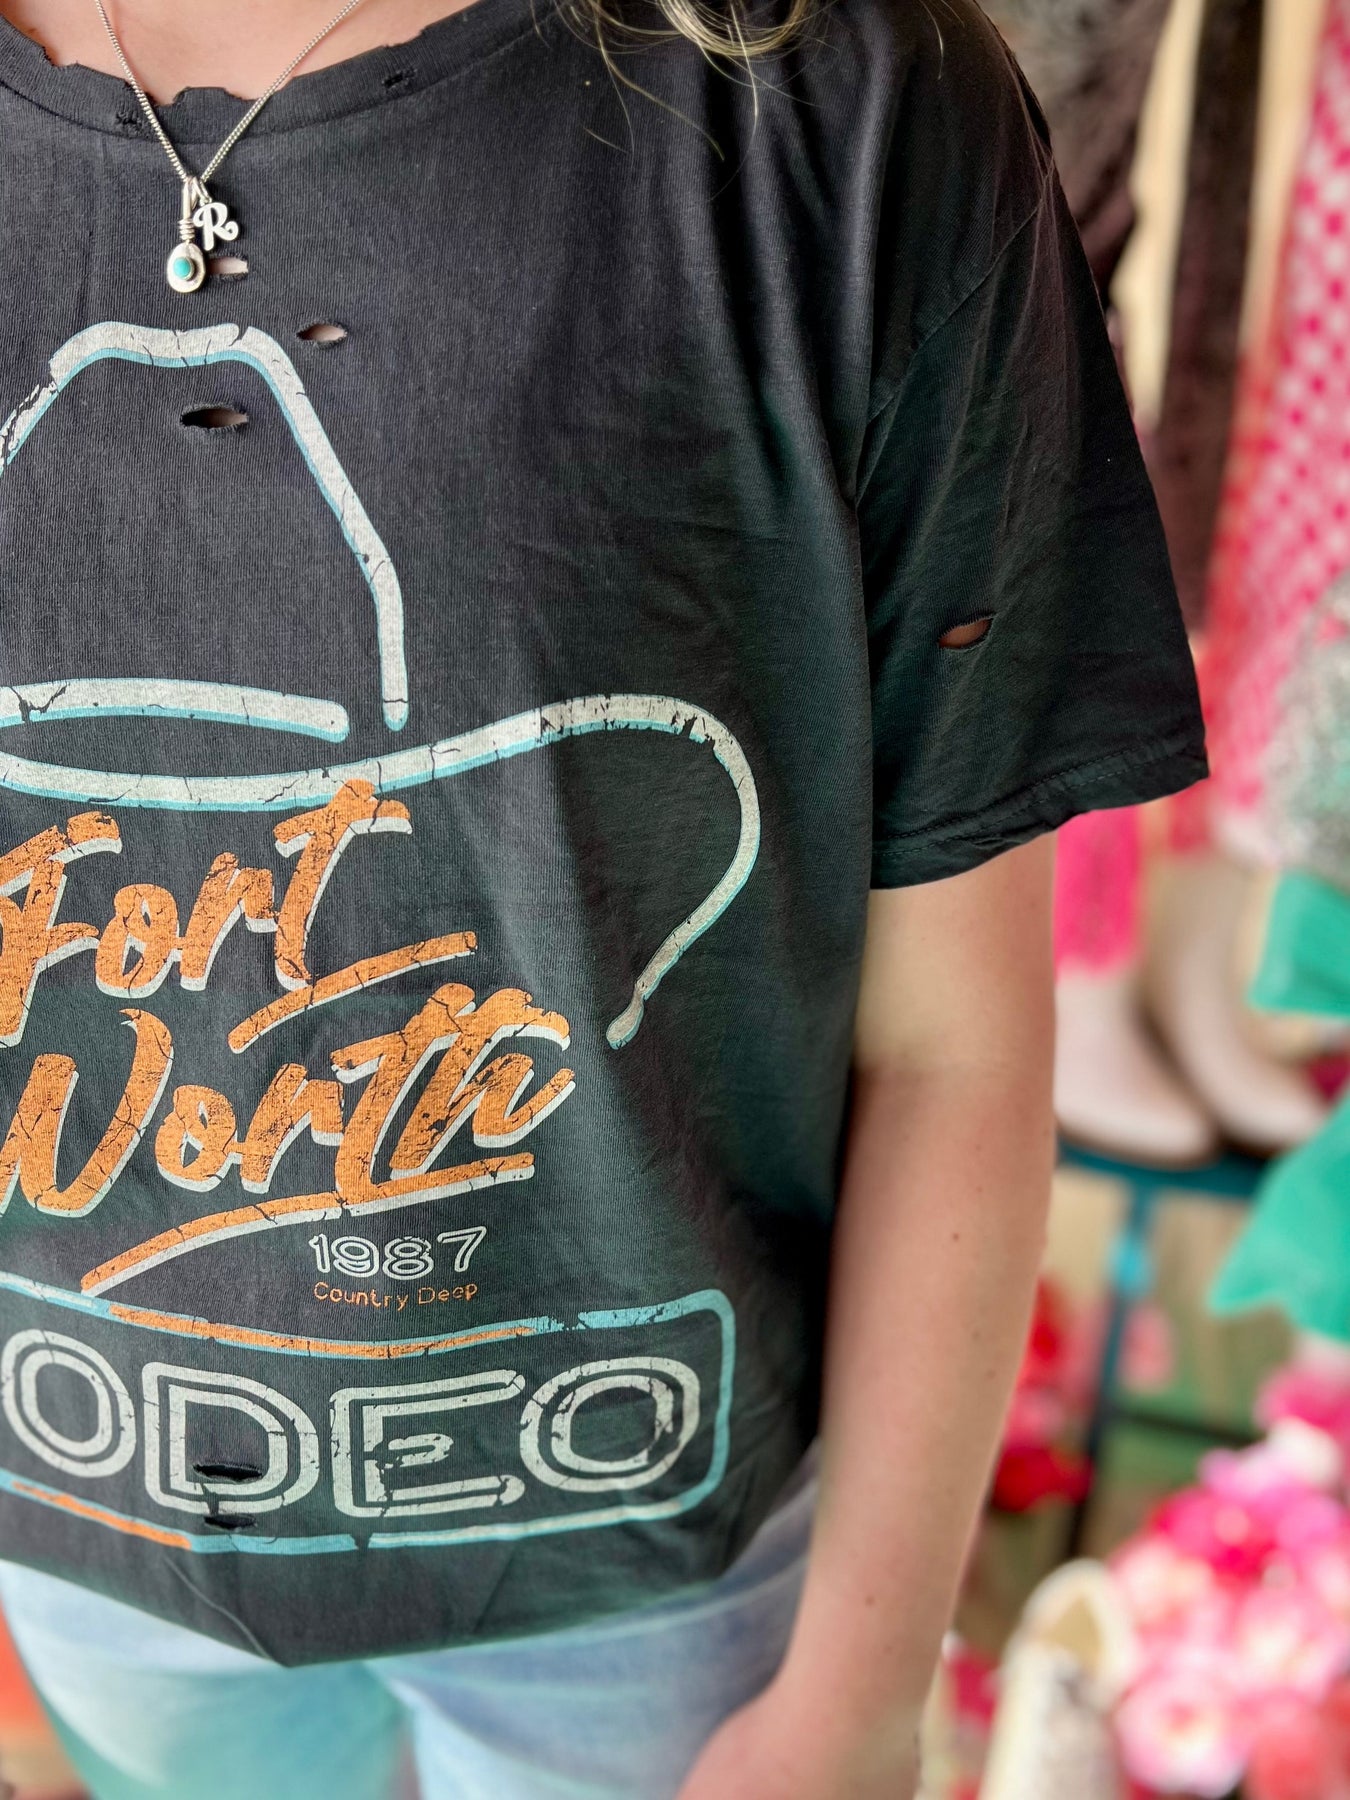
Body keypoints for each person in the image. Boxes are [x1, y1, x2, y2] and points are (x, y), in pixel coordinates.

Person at [0, 0, 1205, 1794]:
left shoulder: (838, 106)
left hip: (655, 1580)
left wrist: (859, 1697)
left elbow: (949, 1040)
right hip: (83, 1561)